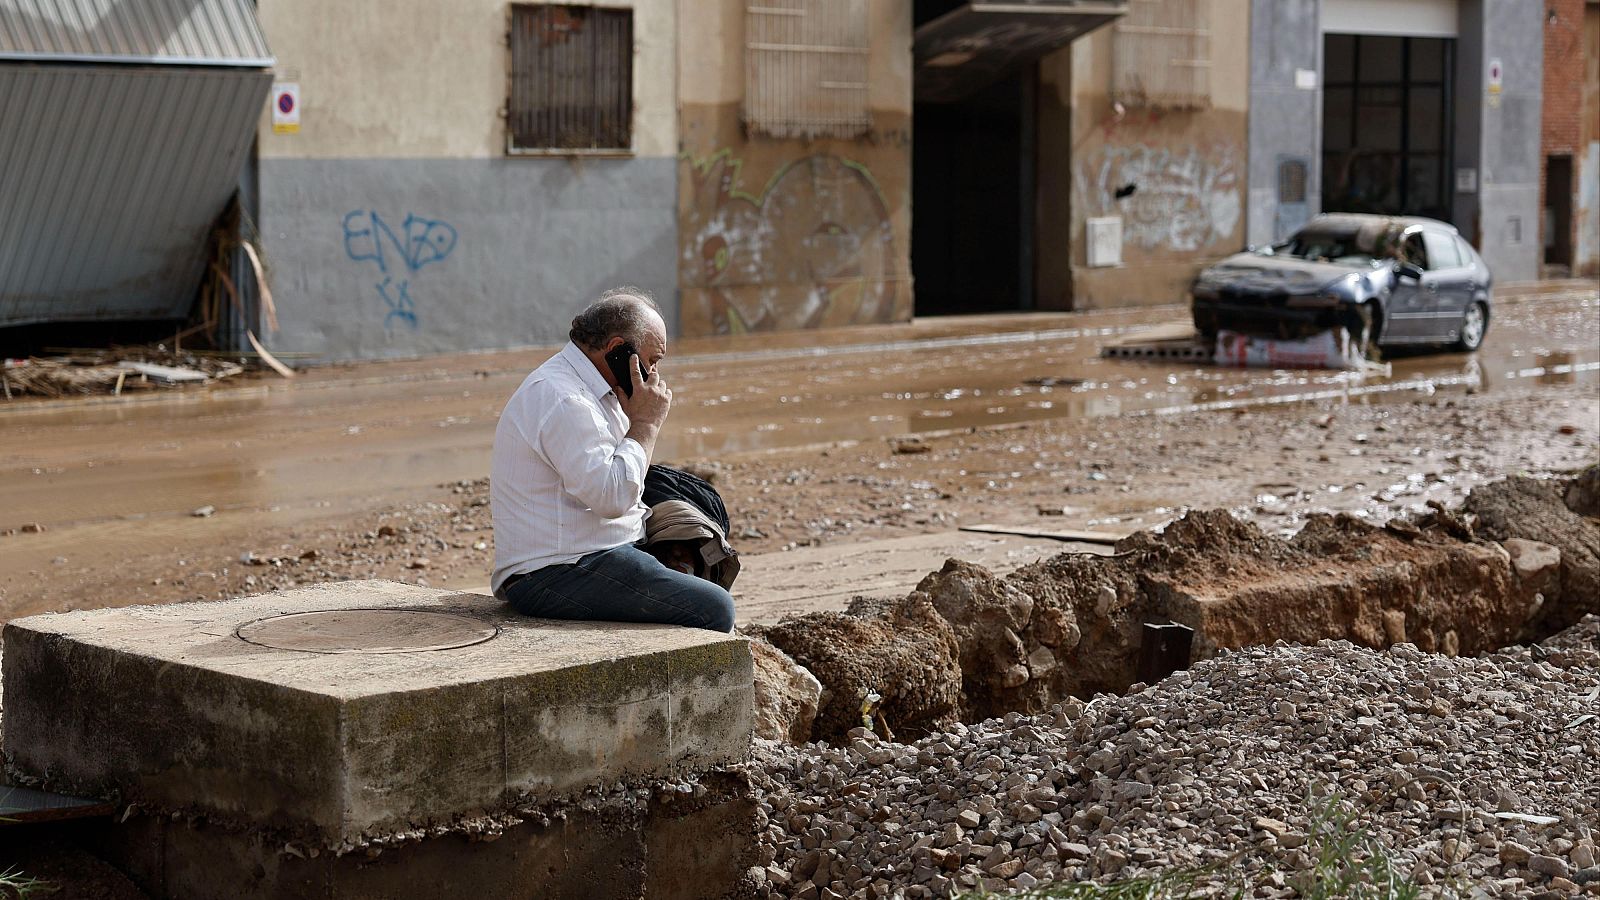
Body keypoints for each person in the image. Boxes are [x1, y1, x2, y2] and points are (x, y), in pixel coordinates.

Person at [489, 287, 736, 632]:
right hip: (556, 570)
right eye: (652, 360)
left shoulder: (596, 390)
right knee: (715, 608)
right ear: (618, 350)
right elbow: (611, 498)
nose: (653, 375)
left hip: (593, 551)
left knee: (705, 546)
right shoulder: (565, 399)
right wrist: (646, 423)